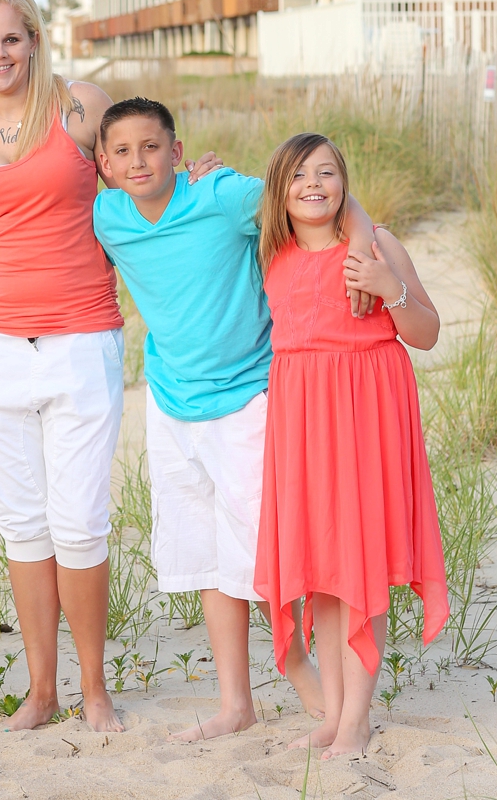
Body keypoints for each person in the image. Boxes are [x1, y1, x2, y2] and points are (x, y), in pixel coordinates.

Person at [0, 0, 221, 735]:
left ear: (34, 40)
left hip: (81, 337)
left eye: (11, 38)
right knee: (23, 527)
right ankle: (41, 690)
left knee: (80, 525)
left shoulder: (78, 108)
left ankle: (94, 688)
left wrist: (194, 180)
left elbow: (143, 163)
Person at [93, 97, 377, 742]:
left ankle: (299, 660)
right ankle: (234, 704)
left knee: (271, 546)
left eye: (152, 147)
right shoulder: (106, 213)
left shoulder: (220, 194)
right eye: (122, 152)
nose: (138, 161)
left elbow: (314, 198)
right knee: (205, 555)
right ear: (104, 166)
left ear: (178, 152)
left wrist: (361, 254)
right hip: (169, 401)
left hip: (251, 393)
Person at [254, 132, 448, 761]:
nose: (314, 184)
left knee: (359, 564)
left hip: (366, 414)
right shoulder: (271, 251)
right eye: (299, 175)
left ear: (346, 183)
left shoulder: (372, 245)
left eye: (328, 172)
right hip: (303, 420)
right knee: (322, 570)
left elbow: (426, 332)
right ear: (279, 191)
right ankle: (334, 714)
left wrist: (387, 284)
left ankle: (357, 720)